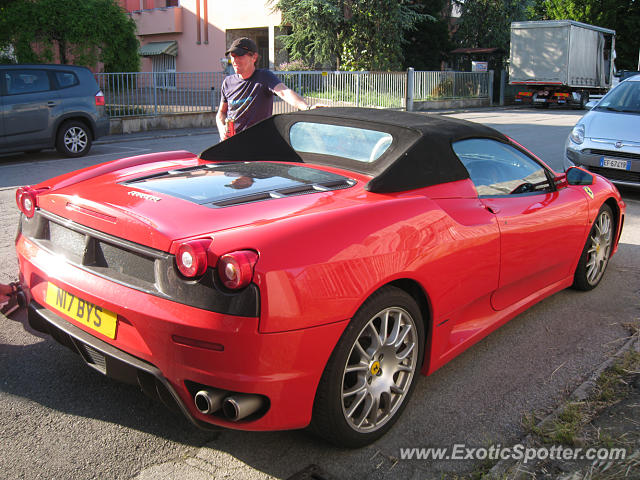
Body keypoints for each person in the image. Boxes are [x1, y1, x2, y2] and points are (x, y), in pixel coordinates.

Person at [216, 37, 313, 141]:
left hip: (258, 145)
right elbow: (221, 112)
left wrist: (308, 108)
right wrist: (222, 129)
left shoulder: (264, 77)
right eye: (233, 56)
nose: (235, 60)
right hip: (231, 144)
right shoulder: (227, 82)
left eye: (240, 55)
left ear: (254, 57)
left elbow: (285, 92)